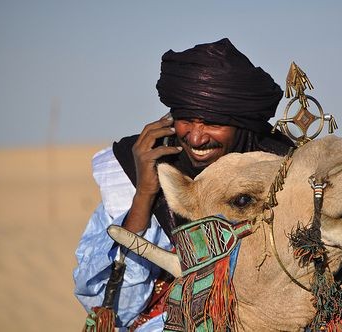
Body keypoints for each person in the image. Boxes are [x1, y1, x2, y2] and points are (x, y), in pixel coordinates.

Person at [73, 38, 294, 331]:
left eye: (213, 122)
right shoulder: (132, 173)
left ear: (243, 125)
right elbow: (115, 309)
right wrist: (144, 194)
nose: (196, 137)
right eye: (186, 120)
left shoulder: (281, 176)